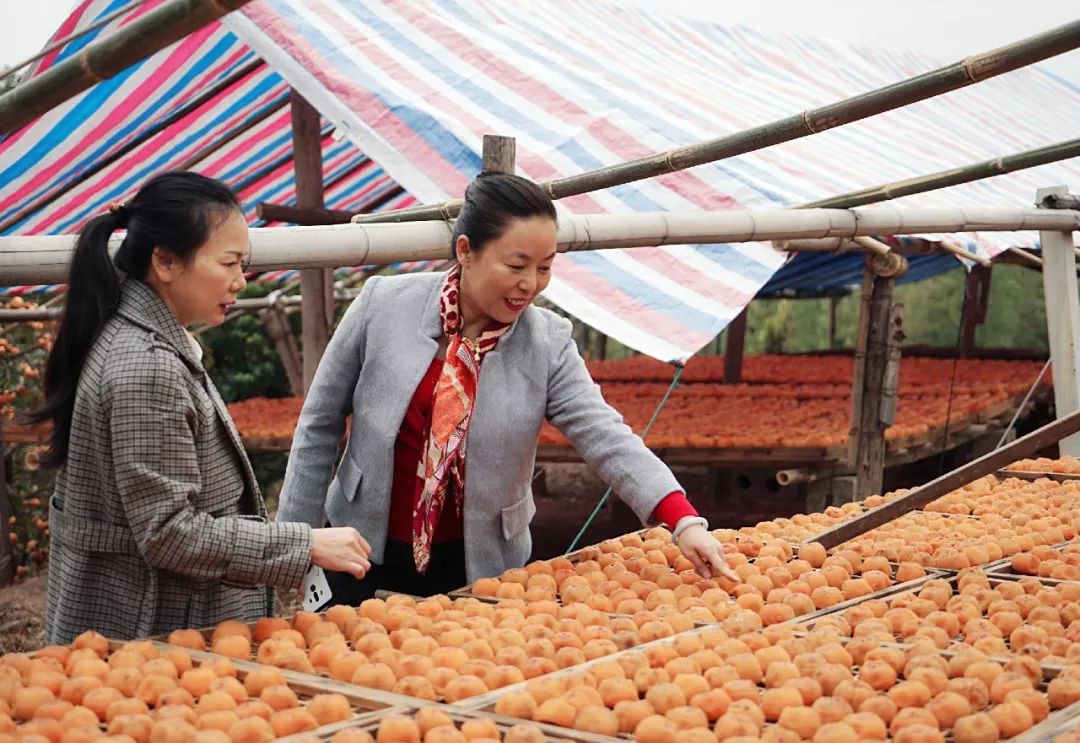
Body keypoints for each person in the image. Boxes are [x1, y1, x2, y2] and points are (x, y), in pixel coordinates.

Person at [277, 172, 737, 606]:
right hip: (359, 549)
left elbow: (607, 438)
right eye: (516, 265)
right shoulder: (382, 305)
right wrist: (295, 543)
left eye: (544, 267)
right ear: (466, 250)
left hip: (479, 563)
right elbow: (319, 425)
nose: (529, 284)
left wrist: (682, 519)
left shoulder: (547, 342)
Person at [31, 171, 371, 644]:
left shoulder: (132, 336)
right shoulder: (147, 369)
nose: (240, 281)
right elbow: (169, 532)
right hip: (152, 633)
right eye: (230, 263)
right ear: (166, 261)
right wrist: (305, 543)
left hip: (142, 623)